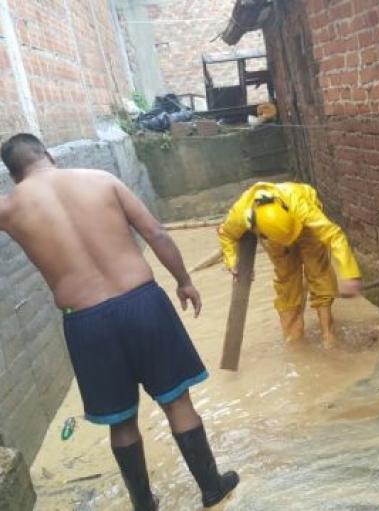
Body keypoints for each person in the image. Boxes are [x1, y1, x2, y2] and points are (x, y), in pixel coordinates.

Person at [0, 134, 238, 510]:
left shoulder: (9, 208)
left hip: (86, 322)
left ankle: (143, 504)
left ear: (13, 175)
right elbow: (155, 233)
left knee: (121, 422)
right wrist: (184, 281)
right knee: (176, 400)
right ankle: (212, 487)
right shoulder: (100, 179)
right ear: (47, 154)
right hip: (144, 304)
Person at [218, 182, 362, 347]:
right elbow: (226, 234)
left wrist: (350, 273)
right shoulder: (241, 213)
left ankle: (328, 334)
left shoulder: (301, 205)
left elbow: (334, 235)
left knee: (318, 271)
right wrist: (232, 262)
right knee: (287, 281)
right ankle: (294, 338)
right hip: (274, 238)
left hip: (302, 226)